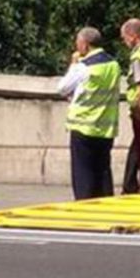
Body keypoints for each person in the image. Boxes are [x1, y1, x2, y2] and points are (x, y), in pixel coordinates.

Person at [56, 27, 121, 200]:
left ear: (85, 44)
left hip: (83, 126)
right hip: (105, 127)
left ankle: (84, 205)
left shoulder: (83, 67)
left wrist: (73, 64)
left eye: (78, 42)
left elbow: (62, 88)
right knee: (103, 171)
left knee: (83, 174)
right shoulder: (113, 64)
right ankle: (105, 204)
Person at [119, 18, 140, 194]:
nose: (124, 42)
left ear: (133, 36)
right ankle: (131, 184)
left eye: (124, 37)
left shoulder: (138, 55)